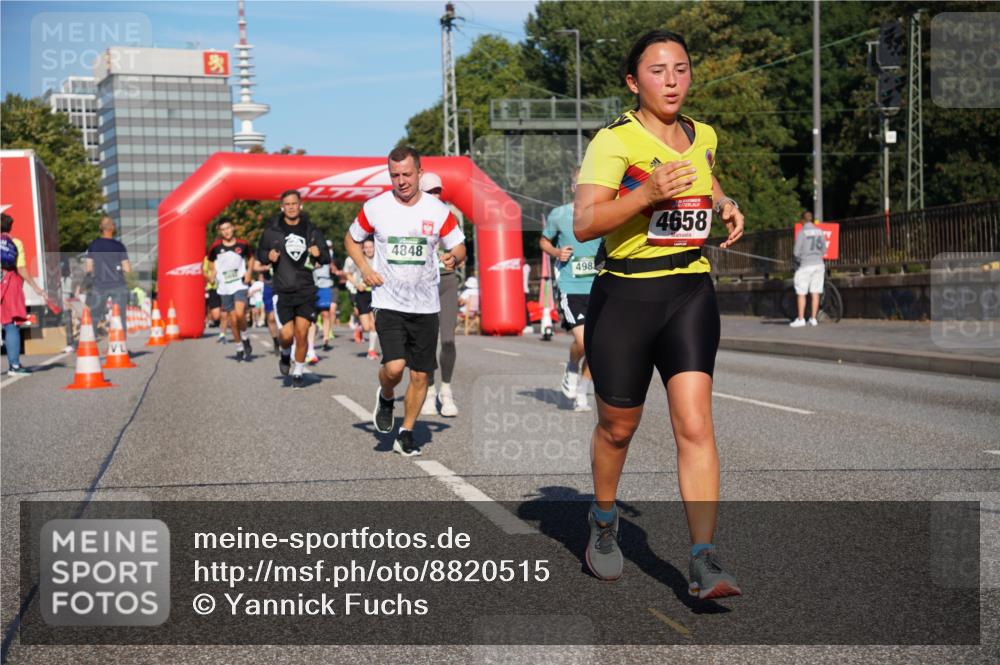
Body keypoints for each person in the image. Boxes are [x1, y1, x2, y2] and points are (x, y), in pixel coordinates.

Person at [573, 30, 745, 598]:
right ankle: (602, 521)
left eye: (681, 69)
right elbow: (584, 224)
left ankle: (703, 559)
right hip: (625, 297)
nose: (671, 81)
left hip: (690, 292)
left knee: (695, 425)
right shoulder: (613, 142)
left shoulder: (705, 134)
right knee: (618, 428)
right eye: (657, 71)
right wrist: (645, 195)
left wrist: (722, 201)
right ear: (633, 82)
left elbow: (701, 169)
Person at [345, 146, 466, 456]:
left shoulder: (438, 210)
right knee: (396, 366)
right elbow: (352, 238)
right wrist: (365, 269)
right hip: (389, 300)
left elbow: (459, 246)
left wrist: (453, 258)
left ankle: (407, 432)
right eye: (395, 175)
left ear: (419, 173)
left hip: (426, 304)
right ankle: (386, 395)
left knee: (421, 374)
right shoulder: (375, 207)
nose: (401, 181)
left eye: (407, 174)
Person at [256, 190, 331, 388]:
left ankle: (298, 370)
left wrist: (319, 253)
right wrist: (268, 256)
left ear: (300, 205)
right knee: (287, 335)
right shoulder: (272, 231)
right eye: (287, 204)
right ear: (282, 207)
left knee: (302, 332)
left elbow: (326, 257)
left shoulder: (311, 230)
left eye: (294, 203)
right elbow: (260, 254)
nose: (291, 207)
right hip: (283, 289)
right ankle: (285, 353)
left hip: (306, 290)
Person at [541, 168, 600, 412]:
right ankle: (572, 366)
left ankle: (582, 394)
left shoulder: (602, 215)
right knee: (584, 341)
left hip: (599, 287)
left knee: (599, 347)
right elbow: (544, 240)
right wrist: (556, 252)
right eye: (581, 185)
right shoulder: (559, 214)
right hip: (571, 286)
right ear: (574, 187)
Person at [419, 172, 460, 418]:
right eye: (430, 191)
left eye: (438, 191)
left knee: (447, 340)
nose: (436, 195)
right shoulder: (412, 215)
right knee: (426, 342)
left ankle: (446, 390)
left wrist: (453, 256)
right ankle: (430, 391)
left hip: (446, 282)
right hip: (422, 285)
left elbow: (459, 246)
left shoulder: (448, 216)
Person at [1, 213, 46, 375]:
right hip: (9, 284)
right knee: (11, 324)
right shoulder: (15, 243)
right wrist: (35, 287)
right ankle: (14, 366)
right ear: (10, 226)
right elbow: (21, 269)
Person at [207, 218, 253, 361]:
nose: (226, 231)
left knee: (240, 314)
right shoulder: (215, 247)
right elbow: (210, 263)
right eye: (223, 229)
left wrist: (249, 272)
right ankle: (239, 347)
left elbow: (251, 258)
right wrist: (212, 274)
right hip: (224, 287)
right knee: (232, 321)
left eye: (228, 228)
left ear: (233, 228)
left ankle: (245, 338)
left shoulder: (242, 244)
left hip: (239, 284)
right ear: (220, 232)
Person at [84, 216, 131, 336]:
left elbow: (89, 268)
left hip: (99, 285)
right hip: (118, 285)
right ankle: (121, 348)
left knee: (94, 317)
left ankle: (90, 346)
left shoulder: (93, 245)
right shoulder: (119, 246)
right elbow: (127, 268)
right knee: (120, 317)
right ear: (113, 228)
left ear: (101, 228)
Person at [790, 211, 827, 327]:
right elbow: (824, 250)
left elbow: (796, 252)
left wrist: (800, 260)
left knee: (801, 292)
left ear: (802, 220)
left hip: (805, 265)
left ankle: (801, 319)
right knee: (815, 292)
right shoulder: (819, 231)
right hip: (819, 264)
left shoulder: (802, 232)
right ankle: (813, 318)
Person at [343, 238, 378, 359]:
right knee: (367, 326)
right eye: (366, 247)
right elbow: (347, 273)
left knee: (374, 325)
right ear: (363, 249)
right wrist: (357, 284)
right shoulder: (358, 260)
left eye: (371, 247)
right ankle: (360, 328)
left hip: (376, 294)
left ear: (375, 247)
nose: (369, 249)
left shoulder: (379, 259)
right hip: (362, 295)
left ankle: (371, 350)